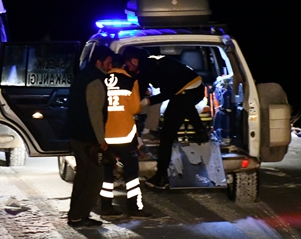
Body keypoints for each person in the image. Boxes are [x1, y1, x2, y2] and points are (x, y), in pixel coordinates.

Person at [122, 46, 209, 189]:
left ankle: (160, 177)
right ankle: (201, 133)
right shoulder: (151, 62)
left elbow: (168, 93)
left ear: (134, 60)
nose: (128, 67)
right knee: (185, 106)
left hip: (187, 90)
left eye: (128, 64)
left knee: (167, 135)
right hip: (195, 86)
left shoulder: (148, 68)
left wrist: (146, 101)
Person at [65, 45, 114, 227]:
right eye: (108, 63)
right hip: (88, 138)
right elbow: (95, 114)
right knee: (95, 178)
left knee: (83, 176)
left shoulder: (83, 76)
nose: (111, 66)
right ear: (99, 62)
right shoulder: (95, 81)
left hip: (77, 134)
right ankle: (79, 215)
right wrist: (101, 139)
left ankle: (76, 215)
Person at [99, 55, 152, 219]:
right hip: (125, 135)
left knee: (107, 173)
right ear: (123, 65)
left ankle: (106, 208)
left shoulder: (101, 79)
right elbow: (136, 108)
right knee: (131, 173)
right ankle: (134, 208)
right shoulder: (130, 80)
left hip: (106, 135)